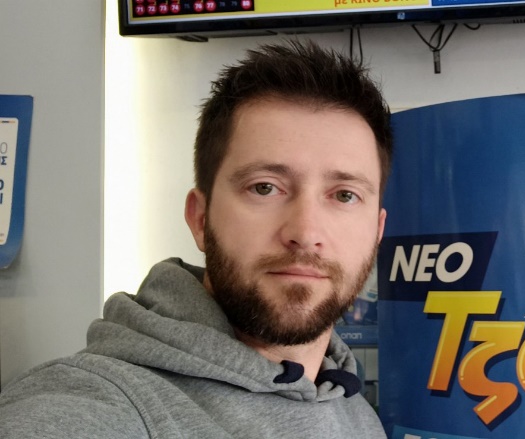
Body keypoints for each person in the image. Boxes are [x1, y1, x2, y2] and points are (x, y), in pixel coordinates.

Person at [0, 40, 391, 438]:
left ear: (377, 232)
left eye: (345, 195)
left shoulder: (354, 411)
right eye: (265, 188)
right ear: (200, 219)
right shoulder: (96, 402)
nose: (305, 233)